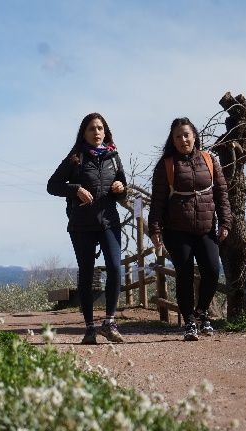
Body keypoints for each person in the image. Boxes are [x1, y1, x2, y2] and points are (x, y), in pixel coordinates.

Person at [47, 112, 128, 345]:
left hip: (109, 222)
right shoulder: (75, 158)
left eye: (100, 128)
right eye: (92, 129)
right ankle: (90, 328)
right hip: (82, 224)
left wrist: (120, 187)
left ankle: (109, 322)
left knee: (114, 268)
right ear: (84, 133)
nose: (97, 133)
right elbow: (52, 185)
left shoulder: (114, 157)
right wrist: (75, 190)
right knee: (86, 272)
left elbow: (123, 189)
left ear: (106, 131)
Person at [148, 117, 231, 341]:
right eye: (178, 136)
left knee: (213, 271)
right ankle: (190, 323)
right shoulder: (166, 165)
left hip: (206, 228)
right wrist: (154, 230)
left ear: (194, 135)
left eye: (186, 134)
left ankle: (202, 310)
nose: (183, 139)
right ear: (172, 141)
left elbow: (221, 193)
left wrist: (225, 222)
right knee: (184, 275)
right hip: (176, 230)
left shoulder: (209, 160)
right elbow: (157, 201)